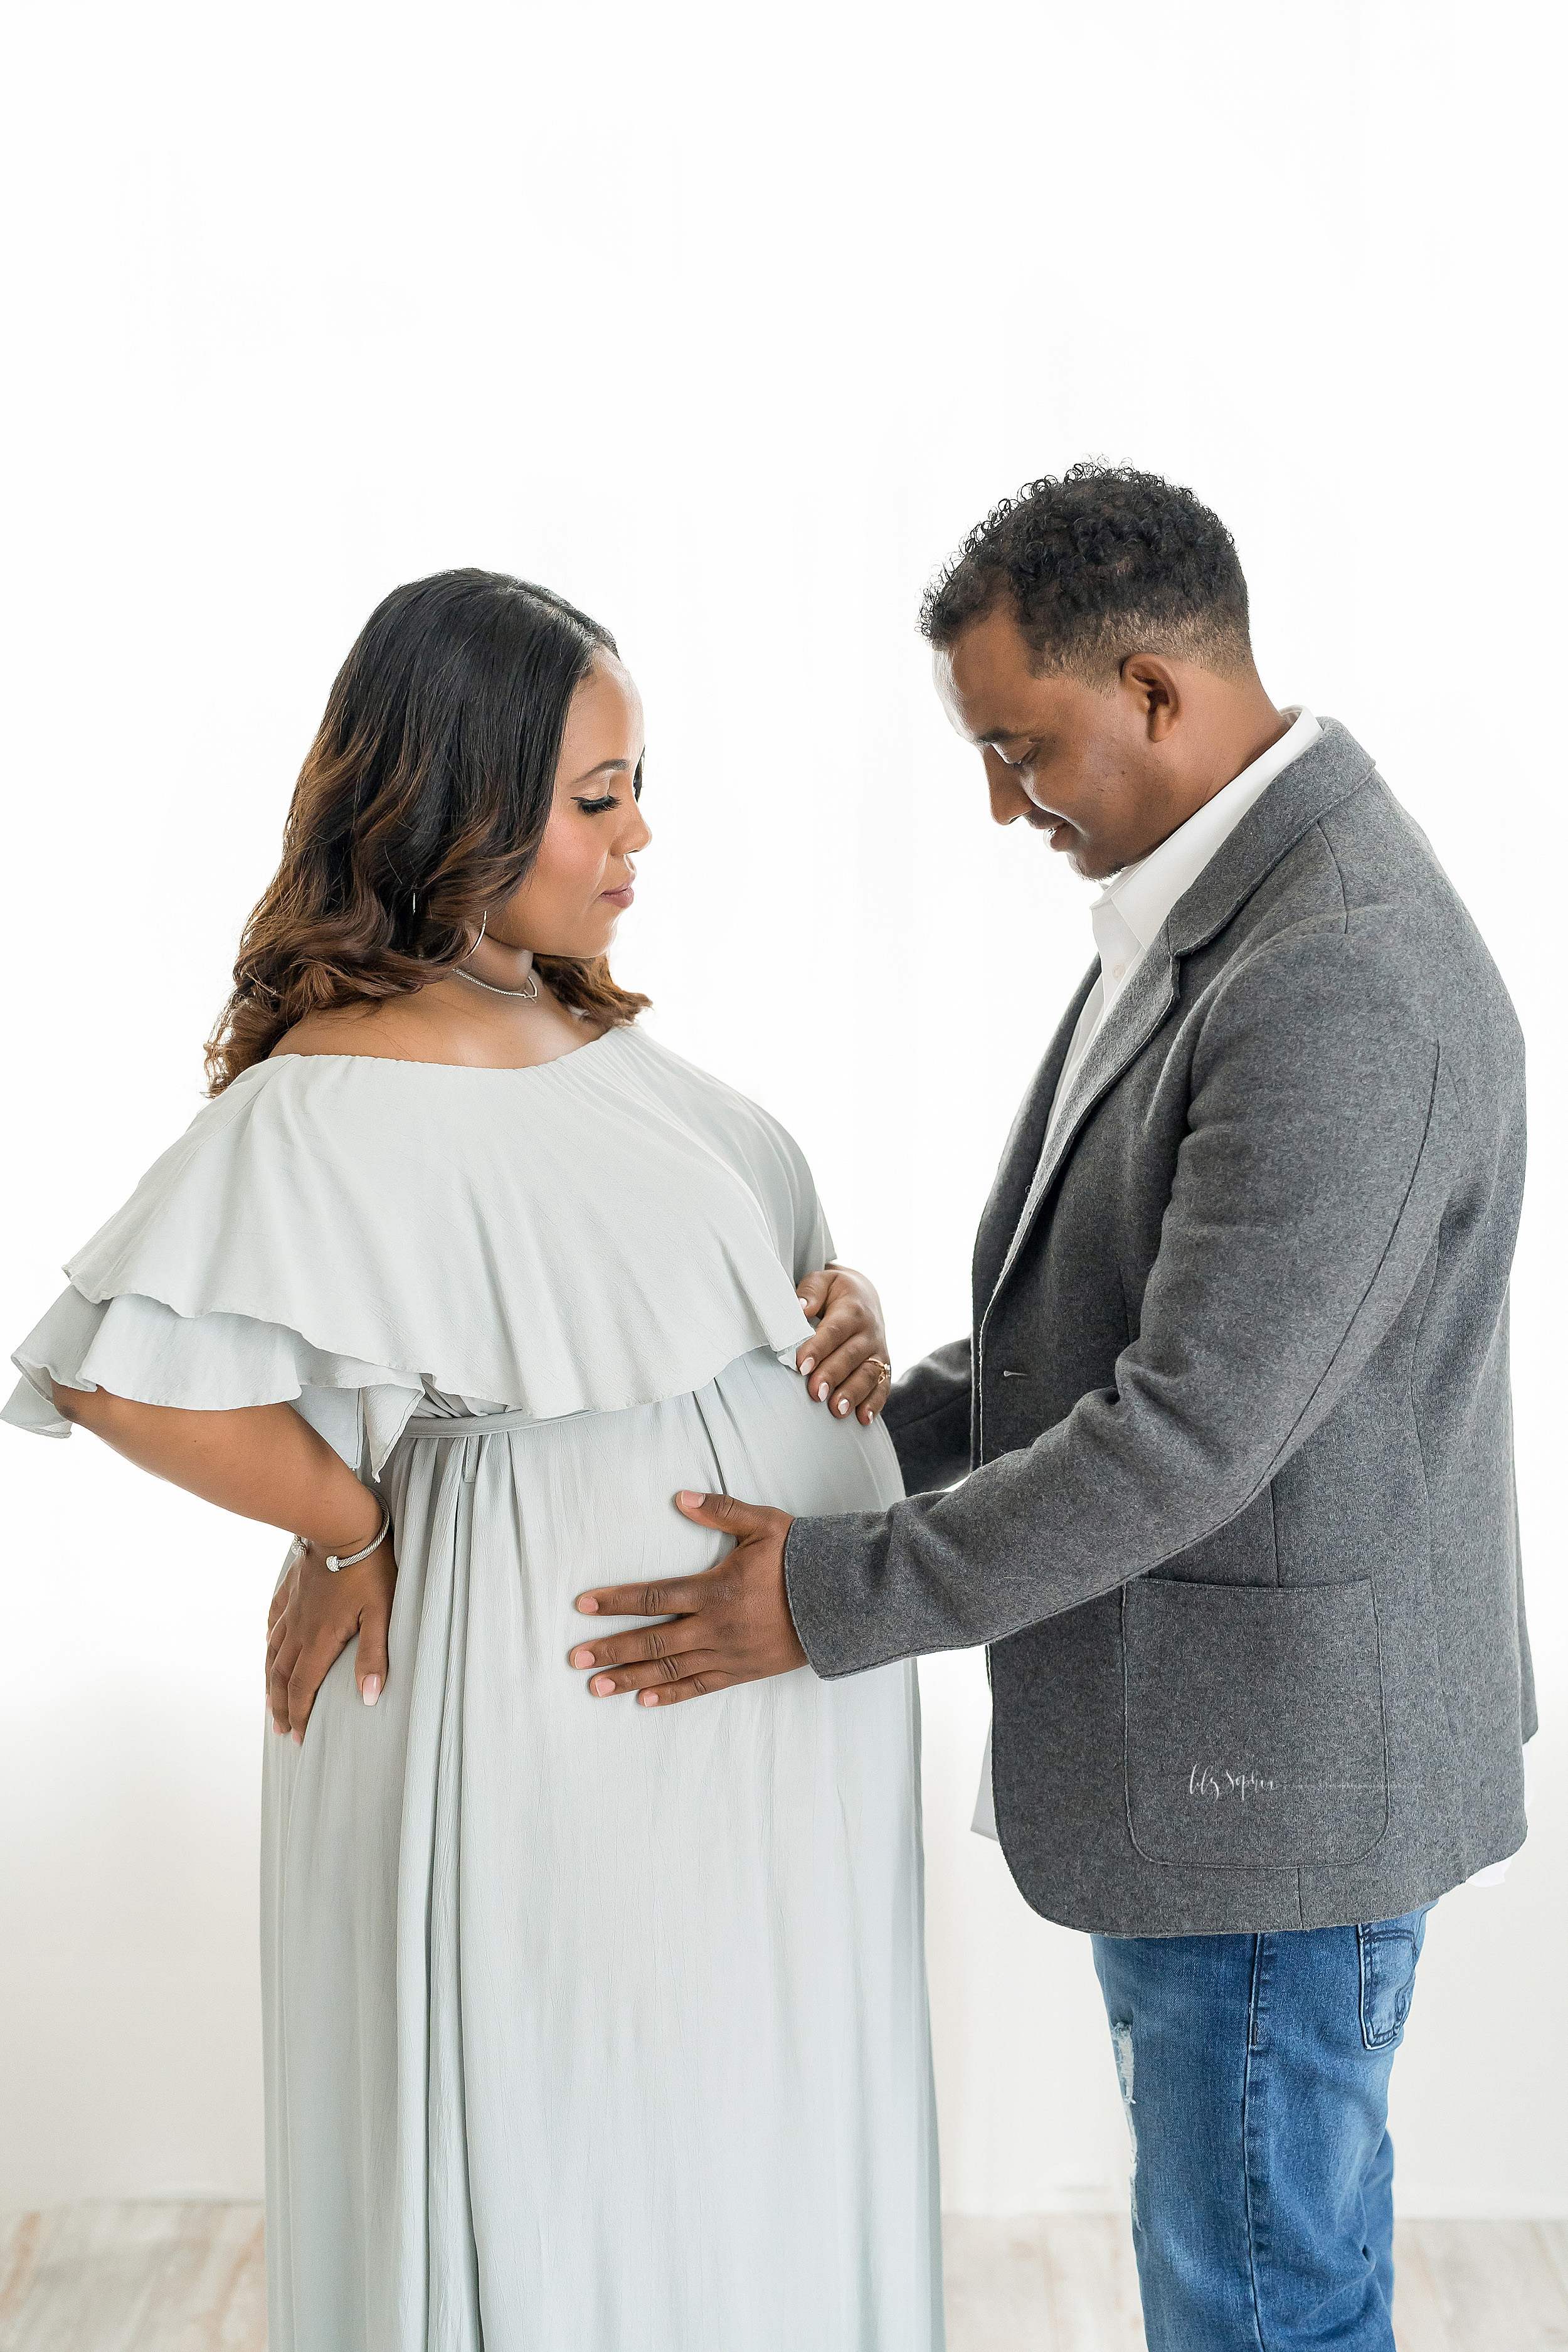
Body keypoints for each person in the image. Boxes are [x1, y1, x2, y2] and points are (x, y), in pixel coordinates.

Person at [568, 467, 1534, 2351]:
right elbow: (1110, 1352)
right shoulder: (1226, 904)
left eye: (1023, 748)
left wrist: (829, 1595)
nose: (1002, 805)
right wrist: (866, 1422)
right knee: (1246, 2264)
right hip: (1237, 1763)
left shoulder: (1336, 972)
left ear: (1159, 691)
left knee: (1258, 2298)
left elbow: (1184, 1434)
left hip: (1273, 1784)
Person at [4, 571, 942, 2352]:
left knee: (726, 2138)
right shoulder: (337, 1089)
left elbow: (724, 1262)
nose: (639, 833)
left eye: (636, 783)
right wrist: (349, 1535)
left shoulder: (579, 1021)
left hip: (753, 1713)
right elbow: (125, 1375)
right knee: (589, 2131)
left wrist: (836, 1303)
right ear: (457, 802)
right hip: (571, 1707)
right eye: (597, 797)